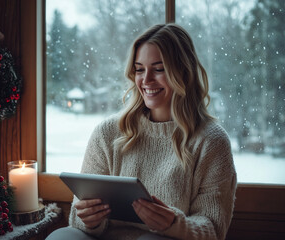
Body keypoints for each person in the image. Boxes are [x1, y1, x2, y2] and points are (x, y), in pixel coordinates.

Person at [46, 23, 237, 240]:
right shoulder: (107, 133)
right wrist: (89, 218)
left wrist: (173, 223)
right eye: (139, 69)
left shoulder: (211, 141)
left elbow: (212, 229)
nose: (145, 80)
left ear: (183, 71)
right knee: (62, 236)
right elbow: (77, 218)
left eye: (158, 69)